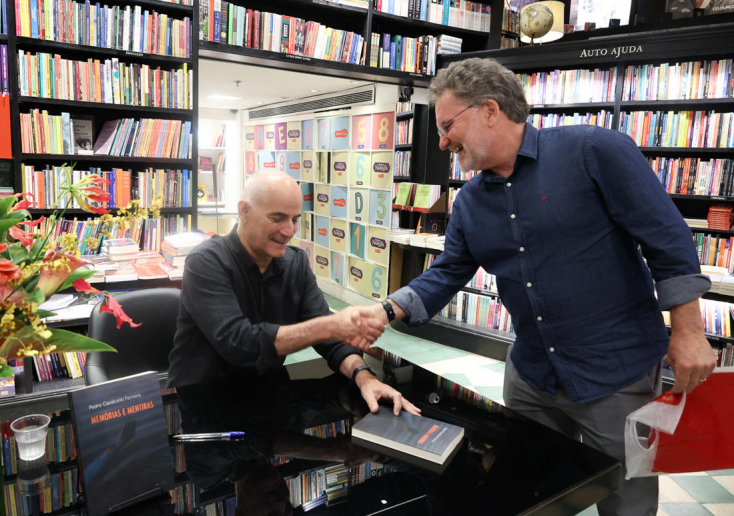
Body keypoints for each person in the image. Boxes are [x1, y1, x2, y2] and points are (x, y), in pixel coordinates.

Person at [363, 58, 717, 516]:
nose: (442, 140)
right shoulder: (469, 200)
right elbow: (449, 270)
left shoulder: (593, 151)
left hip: (617, 375)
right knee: (531, 492)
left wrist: (687, 330)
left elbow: (667, 238)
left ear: (490, 110)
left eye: (449, 125)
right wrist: (385, 311)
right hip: (531, 377)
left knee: (627, 500)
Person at [167, 169, 419, 416]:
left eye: (295, 219)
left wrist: (364, 378)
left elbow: (332, 343)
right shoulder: (205, 262)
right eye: (277, 218)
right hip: (204, 405)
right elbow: (239, 343)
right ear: (244, 211)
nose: (289, 231)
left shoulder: (295, 264)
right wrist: (331, 325)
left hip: (268, 397)